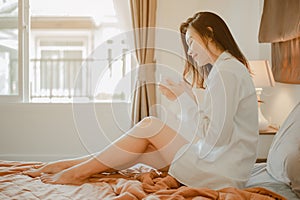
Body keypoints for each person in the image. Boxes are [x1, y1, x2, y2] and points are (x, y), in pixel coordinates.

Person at [24, 12, 258, 189]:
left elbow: (214, 139)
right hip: (223, 164)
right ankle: (70, 165)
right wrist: (186, 98)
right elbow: (213, 132)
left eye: (191, 42)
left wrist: (184, 100)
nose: (190, 52)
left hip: (221, 170)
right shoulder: (226, 70)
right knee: (141, 149)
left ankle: (74, 172)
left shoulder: (226, 72)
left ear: (209, 33)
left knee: (150, 125)